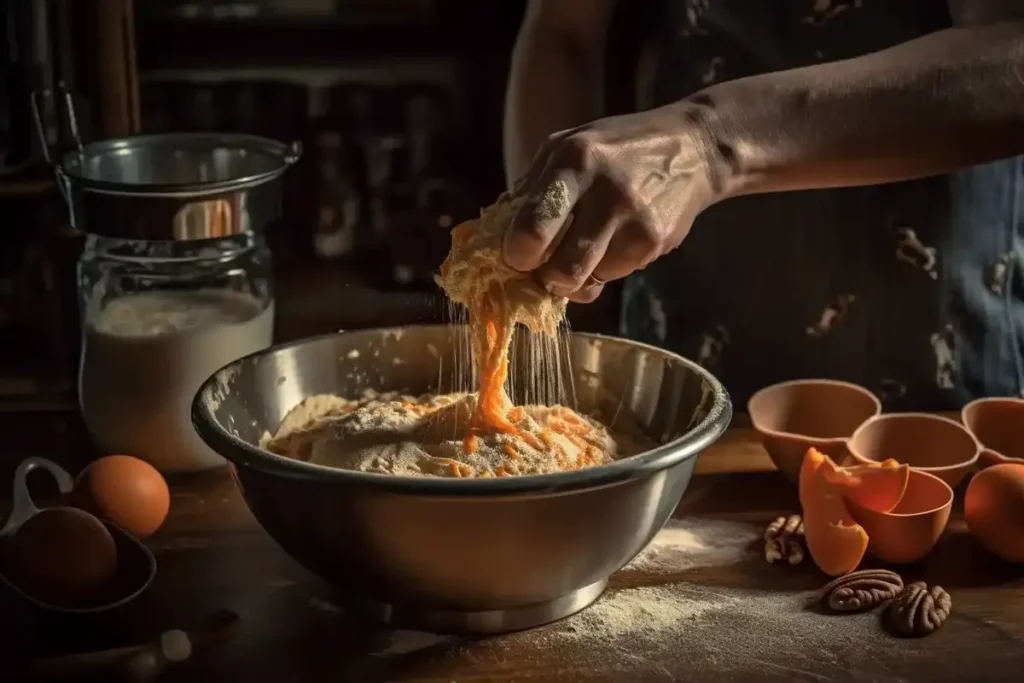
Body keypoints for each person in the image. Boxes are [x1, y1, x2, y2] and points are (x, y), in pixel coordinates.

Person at [502, 0, 1024, 411]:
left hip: (930, 317)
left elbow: (1012, 54)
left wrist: (713, 142)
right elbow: (563, 31)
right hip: (690, 278)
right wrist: (544, 268)